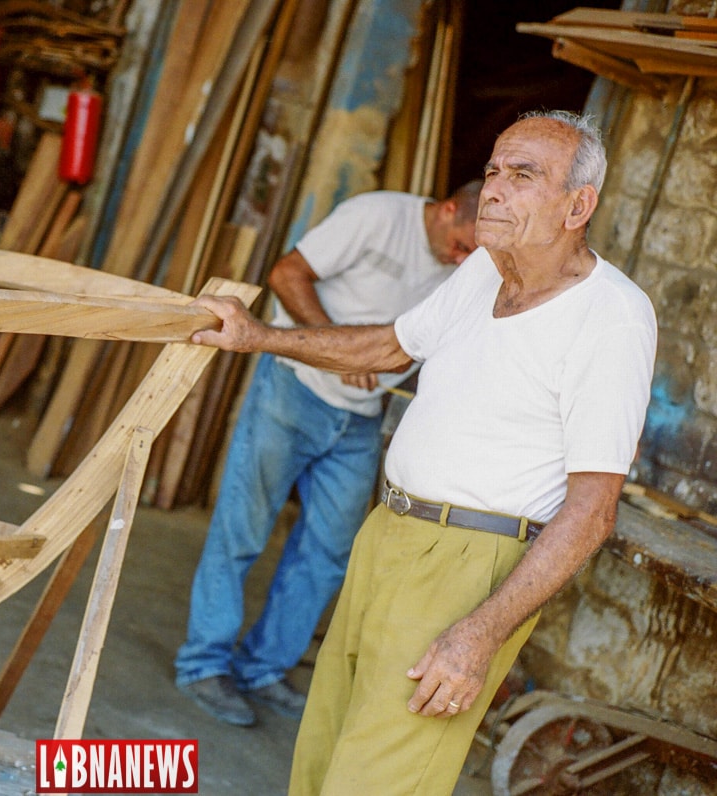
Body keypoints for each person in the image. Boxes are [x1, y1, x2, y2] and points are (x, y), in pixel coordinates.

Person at [189, 110, 657, 795]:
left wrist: (481, 633)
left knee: (379, 778)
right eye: (495, 170)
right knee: (323, 754)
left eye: (523, 175)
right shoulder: (481, 273)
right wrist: (256, 337)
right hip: (391, 533)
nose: (495, 188)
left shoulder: (612, 314)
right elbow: (388, 347)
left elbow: (592, 510)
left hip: (469, 566)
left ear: (578, 205)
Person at [175, 180, 483, 727]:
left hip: (362, 419)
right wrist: (335, 349)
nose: (462, 259)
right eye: (461, 244)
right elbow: (285, 274)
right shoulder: (376, 216)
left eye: (472, 254)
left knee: (328, 551)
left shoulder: (470, 266)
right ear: (449, 209)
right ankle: (203, 665)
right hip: (294, 391)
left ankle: (262, 667)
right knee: (242, 529)